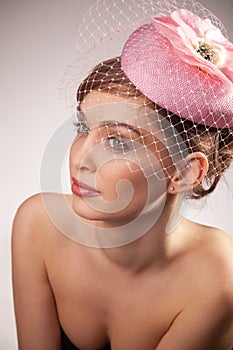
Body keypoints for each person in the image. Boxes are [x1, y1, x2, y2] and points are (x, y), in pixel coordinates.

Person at [12, 1, 233, 349]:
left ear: (185, 171)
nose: (80, 158)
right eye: (83, 127)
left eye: (117, 141)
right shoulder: (38, 225)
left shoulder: (219, 277)